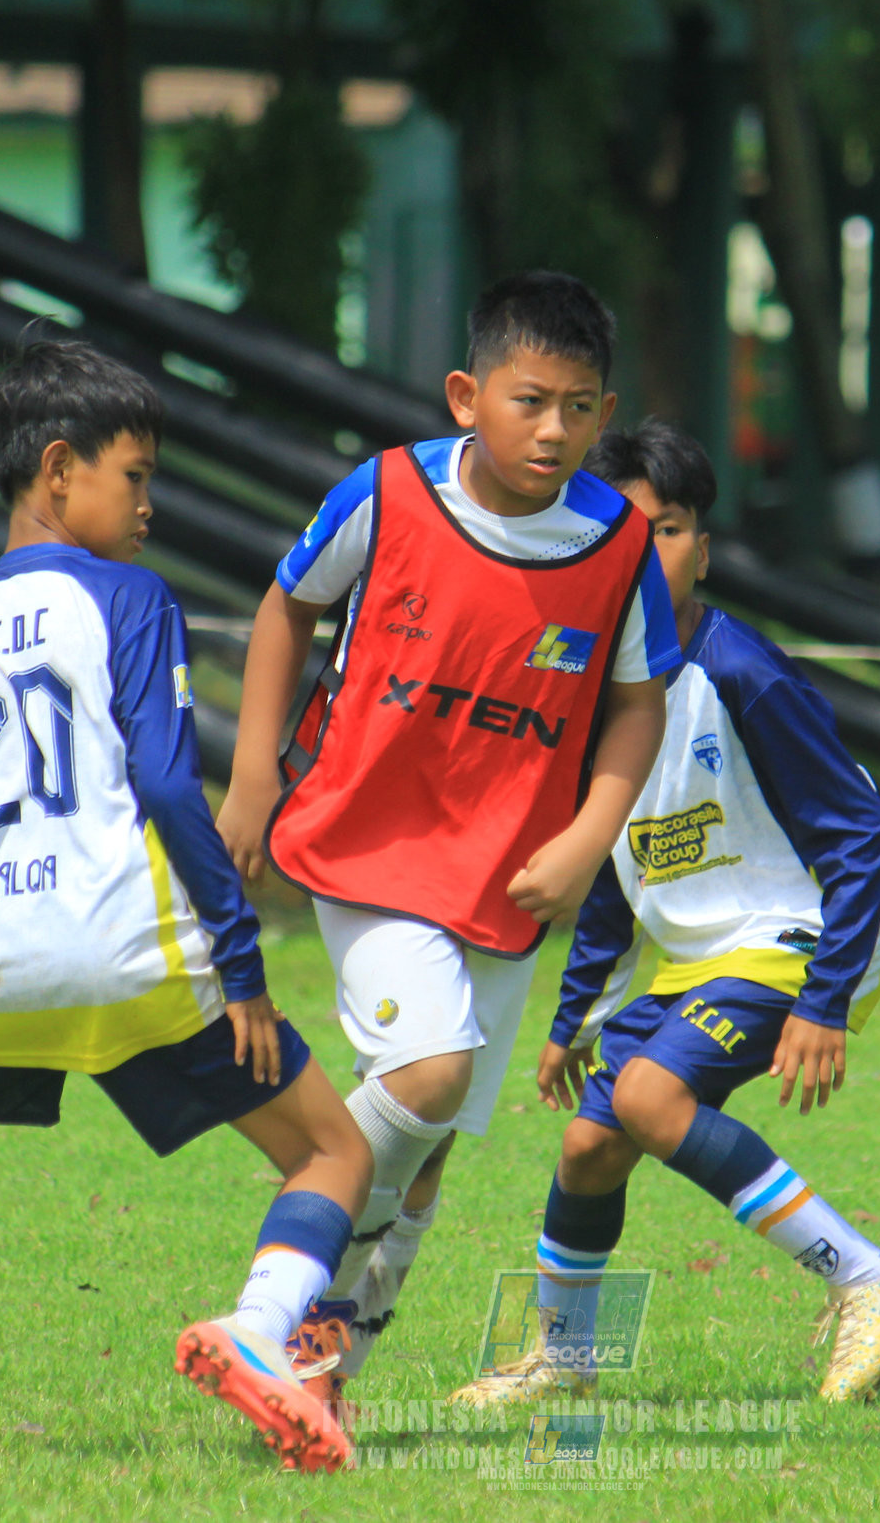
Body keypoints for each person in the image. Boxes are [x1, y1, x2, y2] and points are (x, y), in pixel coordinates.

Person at [214, 272, 680, 1414]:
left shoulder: (617, 543)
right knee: (429, 1074)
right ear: (468, 395)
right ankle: (262, 1316)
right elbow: (287, 607)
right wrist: (250, 772)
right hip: (366, 841)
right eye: (531, 400)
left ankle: (323, 1378)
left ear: (604, 414)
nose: (555, 428)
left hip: (508, 872)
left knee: (428, 1151)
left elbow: (637, 705)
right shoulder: (385, 492)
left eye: (579, 406)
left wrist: (584, 839)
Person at [0, 341, 369, 1472]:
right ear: (57, 470)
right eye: (136, 474)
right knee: (333, 1152)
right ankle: (259, 1330)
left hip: (2, 963)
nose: (149, 503)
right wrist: (243, 964)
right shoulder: (129, 596)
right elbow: (165, 782)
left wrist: (31, 871)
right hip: (139, 955)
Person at [448, 418, 880, 1409]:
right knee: (588, 1144)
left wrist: (824, 998)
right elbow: (608, 872)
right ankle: (563, 1357)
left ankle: (873, 1276)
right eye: (622, 531)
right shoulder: (580, 686)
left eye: (668, 530)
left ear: (701, 549)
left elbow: (857, 837)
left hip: (804, 927)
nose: (646, 552)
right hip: (696, 947)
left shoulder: (743, 674)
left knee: (647, 1099)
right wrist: (571, 1016)